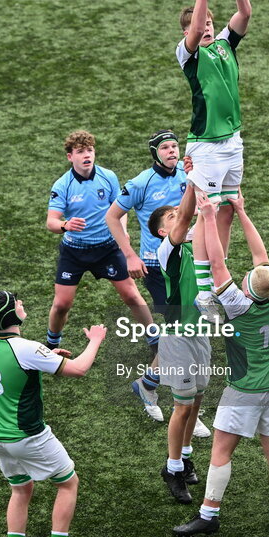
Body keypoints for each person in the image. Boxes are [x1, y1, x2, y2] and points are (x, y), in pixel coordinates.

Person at [173, 191, 269, 537]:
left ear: (247, 289)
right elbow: (261, 256)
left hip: (244, 389)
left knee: (221, 450)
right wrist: (240, 210)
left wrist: (209, 217)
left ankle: (209, 515)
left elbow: (215, 264)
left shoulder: (239, 306)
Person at [0, 291, 106, 537]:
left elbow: (18, 366)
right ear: (10, 316)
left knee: (21, 490)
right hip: (28, 436)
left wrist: (47, 358)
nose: (22, 303)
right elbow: (79, 369)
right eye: (17, 303)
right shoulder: (26, 348)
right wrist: (95, 339)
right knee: (68, 483)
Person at [176, 0, 251, 317]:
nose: (205, 27)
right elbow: (192, 33)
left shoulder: (224, 44)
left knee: (226, 212)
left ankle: (221, 281)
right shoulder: (187, 54)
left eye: (208, 22)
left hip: (233, 142)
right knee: (206, 212)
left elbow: (245, 14)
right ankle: (205, 291)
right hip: (205, 146)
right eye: (200, 24)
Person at [105, 129, 188, 423]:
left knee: (189, 330)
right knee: (183, 332)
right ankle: (154, 387)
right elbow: (112, 217)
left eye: (175, 146)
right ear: (155, 153)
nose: (172, 152)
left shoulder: (186, 173)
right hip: (156, 266)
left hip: (186, 261)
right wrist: (130, 255)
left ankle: (158, 387)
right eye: (165, 148)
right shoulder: (141, 183)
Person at [46, 130, 155, 353]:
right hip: (74, 251)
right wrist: (65, 225)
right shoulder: (62, 185)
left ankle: (155, 339)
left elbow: (121, 209)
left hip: (107, 247)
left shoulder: (108, 177)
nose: (86, 155)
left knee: (132, 295)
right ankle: (52, 344)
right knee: (61, 305)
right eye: (80, 151)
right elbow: (51, 222)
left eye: (90, 150)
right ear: (70, 157)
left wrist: (122, 231)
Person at [147, 183, 211, 503]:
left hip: (201, 335)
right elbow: (187, 216)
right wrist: (193, 182)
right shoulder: (168, 251)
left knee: (196, 401)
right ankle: (172, 469)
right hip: (178, 339)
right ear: (162, 231)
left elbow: (205, 220)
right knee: (183, 406)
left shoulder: (192, 246)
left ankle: (185, 456)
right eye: (171, 216)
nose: (179, 217)